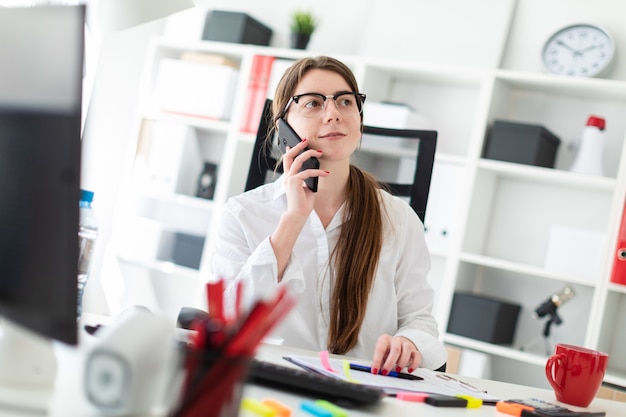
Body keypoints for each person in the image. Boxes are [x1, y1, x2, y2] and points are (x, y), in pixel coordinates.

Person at [212, 56, 447, 373]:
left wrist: (410, 344)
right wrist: (293, 219)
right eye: (312, 103)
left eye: (346, 101)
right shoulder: (243, 214)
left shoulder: (398, 218)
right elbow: (230, 322)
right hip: (272, 385)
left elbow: (420, 320)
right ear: (283, 128)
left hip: (365, 393)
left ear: (359, 118)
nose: (334, 113)